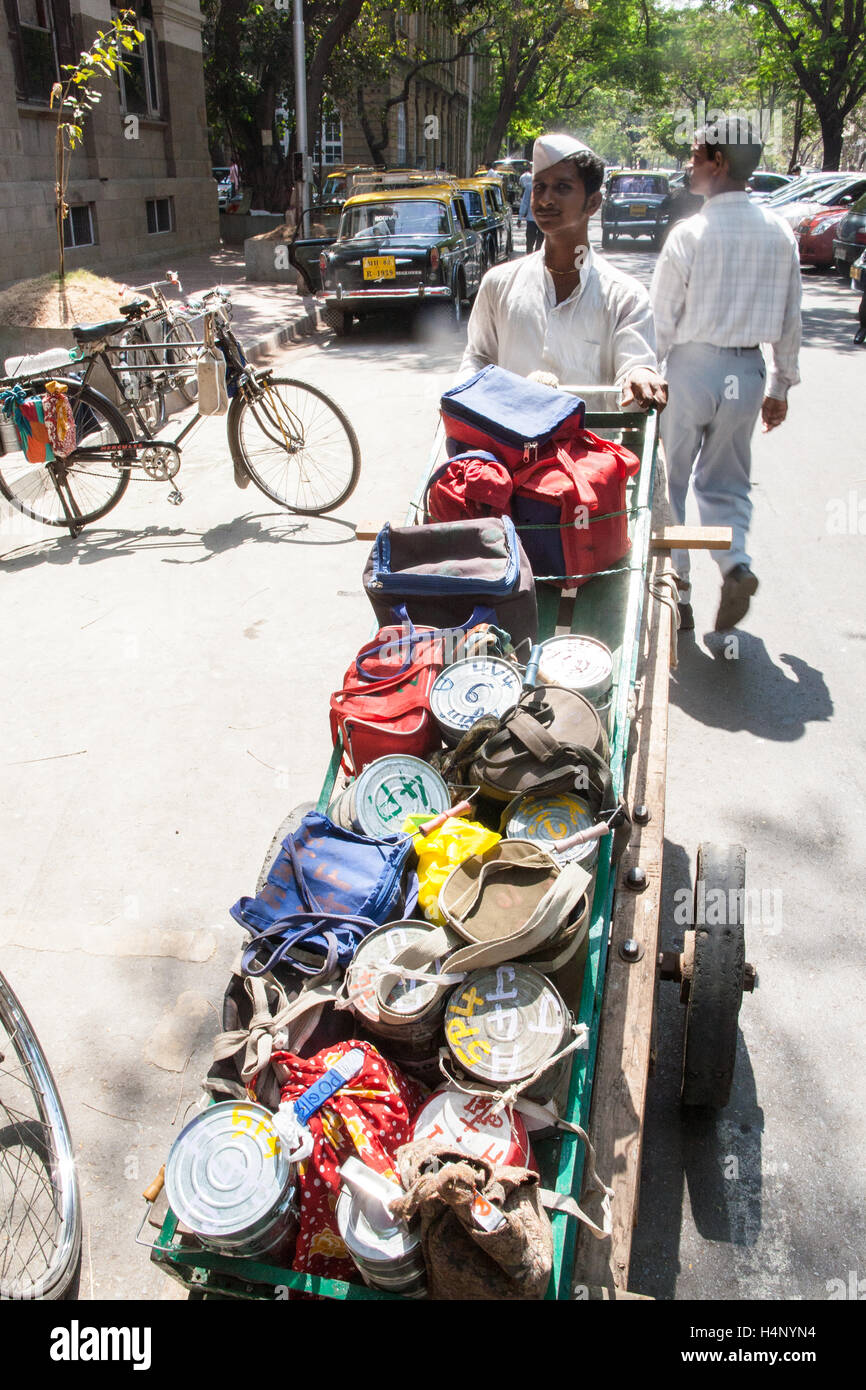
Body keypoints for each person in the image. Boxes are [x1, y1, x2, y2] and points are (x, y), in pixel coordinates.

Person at [650, 115, 802, 632]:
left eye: (695, 155)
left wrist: (648, 373)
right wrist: (780, 387)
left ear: (718, 162)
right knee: (726, 483)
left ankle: (679, 595)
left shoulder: (690, 233)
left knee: (667, 483)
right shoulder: (780, 232)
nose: (689, 164)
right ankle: (736, 563)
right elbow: (790, 318)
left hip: (691, 369)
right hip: (747, 370)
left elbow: (660, 321)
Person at [459, 132, 668, 412]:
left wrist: (639, 375)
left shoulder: (626, 297)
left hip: (591, 453)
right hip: (509, 453)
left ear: (593, 203)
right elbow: (478, 358)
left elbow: (634, 366)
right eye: (539, 187)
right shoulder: (498, 284)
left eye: (562, 188)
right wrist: (460, 397)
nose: (545, 200)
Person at [518, 168, 542, 253]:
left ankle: (535, 256)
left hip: (539, 219)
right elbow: (525, 201)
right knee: (532, 241)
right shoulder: (529, 186)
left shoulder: (530, 186)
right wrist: (520, 216)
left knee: (538, 240)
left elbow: (525, 201)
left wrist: (520, 217)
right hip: (532, 218)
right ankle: (531, 256)